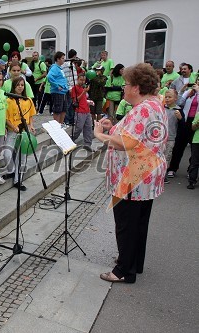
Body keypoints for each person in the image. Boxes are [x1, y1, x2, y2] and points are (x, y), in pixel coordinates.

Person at [94, 63, 167, 284]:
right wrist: (113, 127)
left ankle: (123, 270)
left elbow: (127, 142)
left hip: (132, 178)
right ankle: (134, 263)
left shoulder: (143, 108)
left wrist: (100, 134)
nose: (123, 88)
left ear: (136, 87)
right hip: (146, 177)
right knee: (139, 223)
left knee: (126, 223)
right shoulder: (154, 104)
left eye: (126, 84)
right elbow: (136, 131)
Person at [3, 76, 36, 190]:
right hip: (13, 131)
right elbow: (6, 118)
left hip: (24, 132)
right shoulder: (8, 100)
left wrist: (31, 125)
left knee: (22, 157)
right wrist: (12, 126)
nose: (20, 87)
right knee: (7, 153)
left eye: (22, 85)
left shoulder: (28, 100)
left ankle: (18, 180)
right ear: (14, 86)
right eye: (18, 85)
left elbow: (31, 115)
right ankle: (11, 170)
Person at [162, 89, 184, 184]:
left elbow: (183, 126)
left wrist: (180, 118)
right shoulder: (162, 108)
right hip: (160, 138)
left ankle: (163, 176)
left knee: (167, 156)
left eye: (169, 97)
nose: (167, 99)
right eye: (166, 97)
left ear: (175, 98)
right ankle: (158, 174)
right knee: (159, 156)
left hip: (171, 138)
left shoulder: (178, 110)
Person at [70, 73, 93, 146]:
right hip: (79, 111)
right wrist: (84, 92)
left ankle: (88, 144)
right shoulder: (74, 88)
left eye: (84, 80)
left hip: (87, 110)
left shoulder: (84, 88)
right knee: (78, 128)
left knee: (88, 128)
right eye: (81, 80)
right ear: (77, 79)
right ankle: (71, 139)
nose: (82, 82)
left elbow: (84, 99)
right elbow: (76, 100)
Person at [47, 51, 69, 126]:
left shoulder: (60, 68)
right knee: (58, 109)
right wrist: (57, 86)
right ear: (58, 59)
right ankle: (56, 125)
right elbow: (49, 77)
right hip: (58, 92)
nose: (64, 60)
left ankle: (61, 124)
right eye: (62, 58)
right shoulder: (54, 68)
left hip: (63, 92)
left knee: (63, 109)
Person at [187, 112, 199, 189]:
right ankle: (192, 181)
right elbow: (193, 128)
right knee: (194, 162)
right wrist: (197, 123)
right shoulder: (198, 114)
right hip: (197, 141)